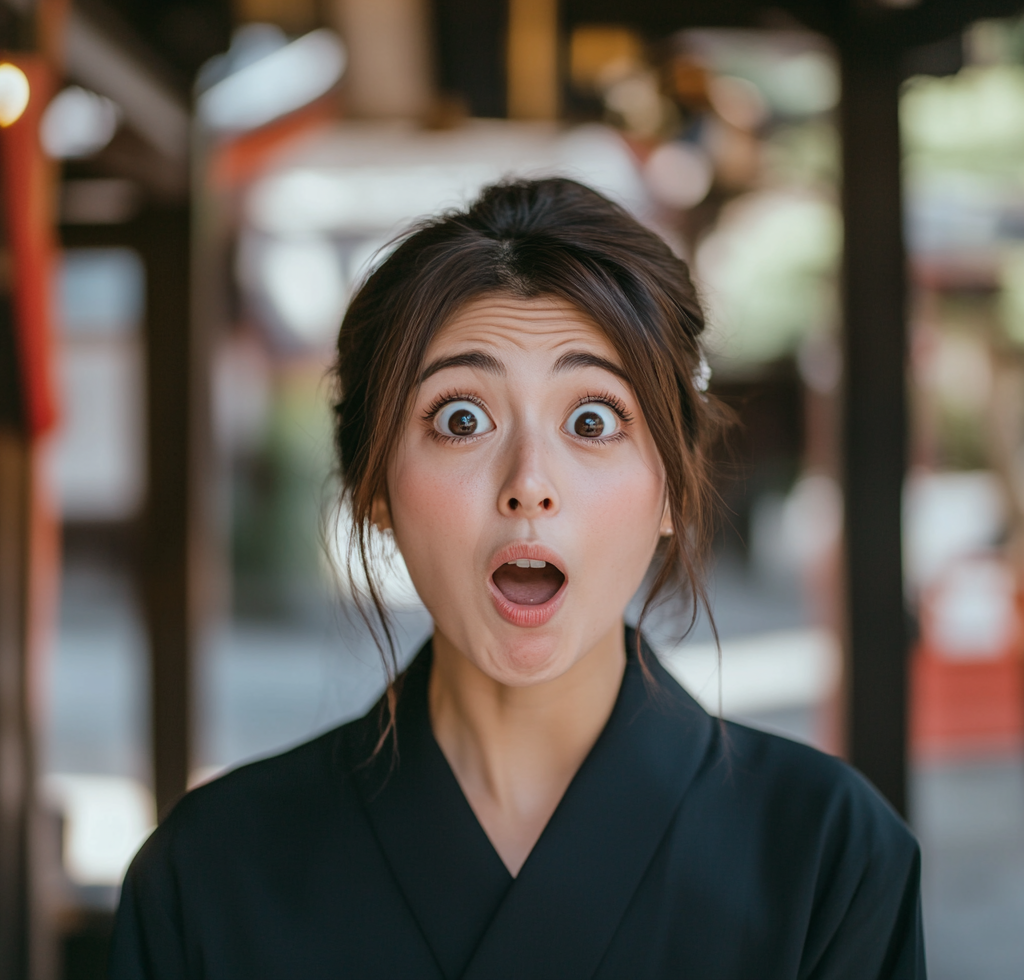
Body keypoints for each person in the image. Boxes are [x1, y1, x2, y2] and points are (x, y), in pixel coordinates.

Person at [109, 178, 925, 979]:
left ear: (673, 485)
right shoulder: (211, 872)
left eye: (593, 419)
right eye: (462, 418)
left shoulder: (828, 856)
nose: (529, 480)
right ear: (375, 488)